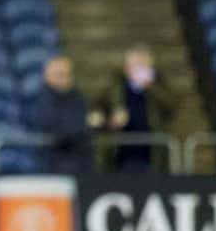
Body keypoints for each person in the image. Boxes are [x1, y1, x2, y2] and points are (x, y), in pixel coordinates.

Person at [90, 43, 177, 172]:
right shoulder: (116, 83)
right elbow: (98, 109)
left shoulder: (160, 82)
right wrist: (110, 120)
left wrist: (151, 87)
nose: (139, 69)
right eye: (136, 64)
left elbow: (172, 106)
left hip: (153, 153)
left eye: (143, 64)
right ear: (127, 66)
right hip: (122, 154)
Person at [24, 55, 91, 173]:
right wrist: (76, 132)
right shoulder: (41, 99)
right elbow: (53, 128)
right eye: (61, 75)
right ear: (47, 76)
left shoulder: (77, 98)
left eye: (68, 74)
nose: (66, 79)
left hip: (80, 163)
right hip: (52, 165)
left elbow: (81, 123)